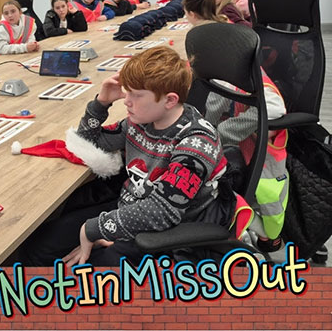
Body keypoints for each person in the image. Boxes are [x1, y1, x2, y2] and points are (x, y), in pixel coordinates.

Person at [18, 47, 235, 266]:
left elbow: (164, 211)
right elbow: (86, 142)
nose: (126, 101)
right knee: (40, 247)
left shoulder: (197, 142)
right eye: (126, 91)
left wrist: (95, 229)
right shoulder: (141, 120)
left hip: (168, 228)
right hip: (130, 206)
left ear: (169, 100)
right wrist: (101, 103)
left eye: (136, 95)